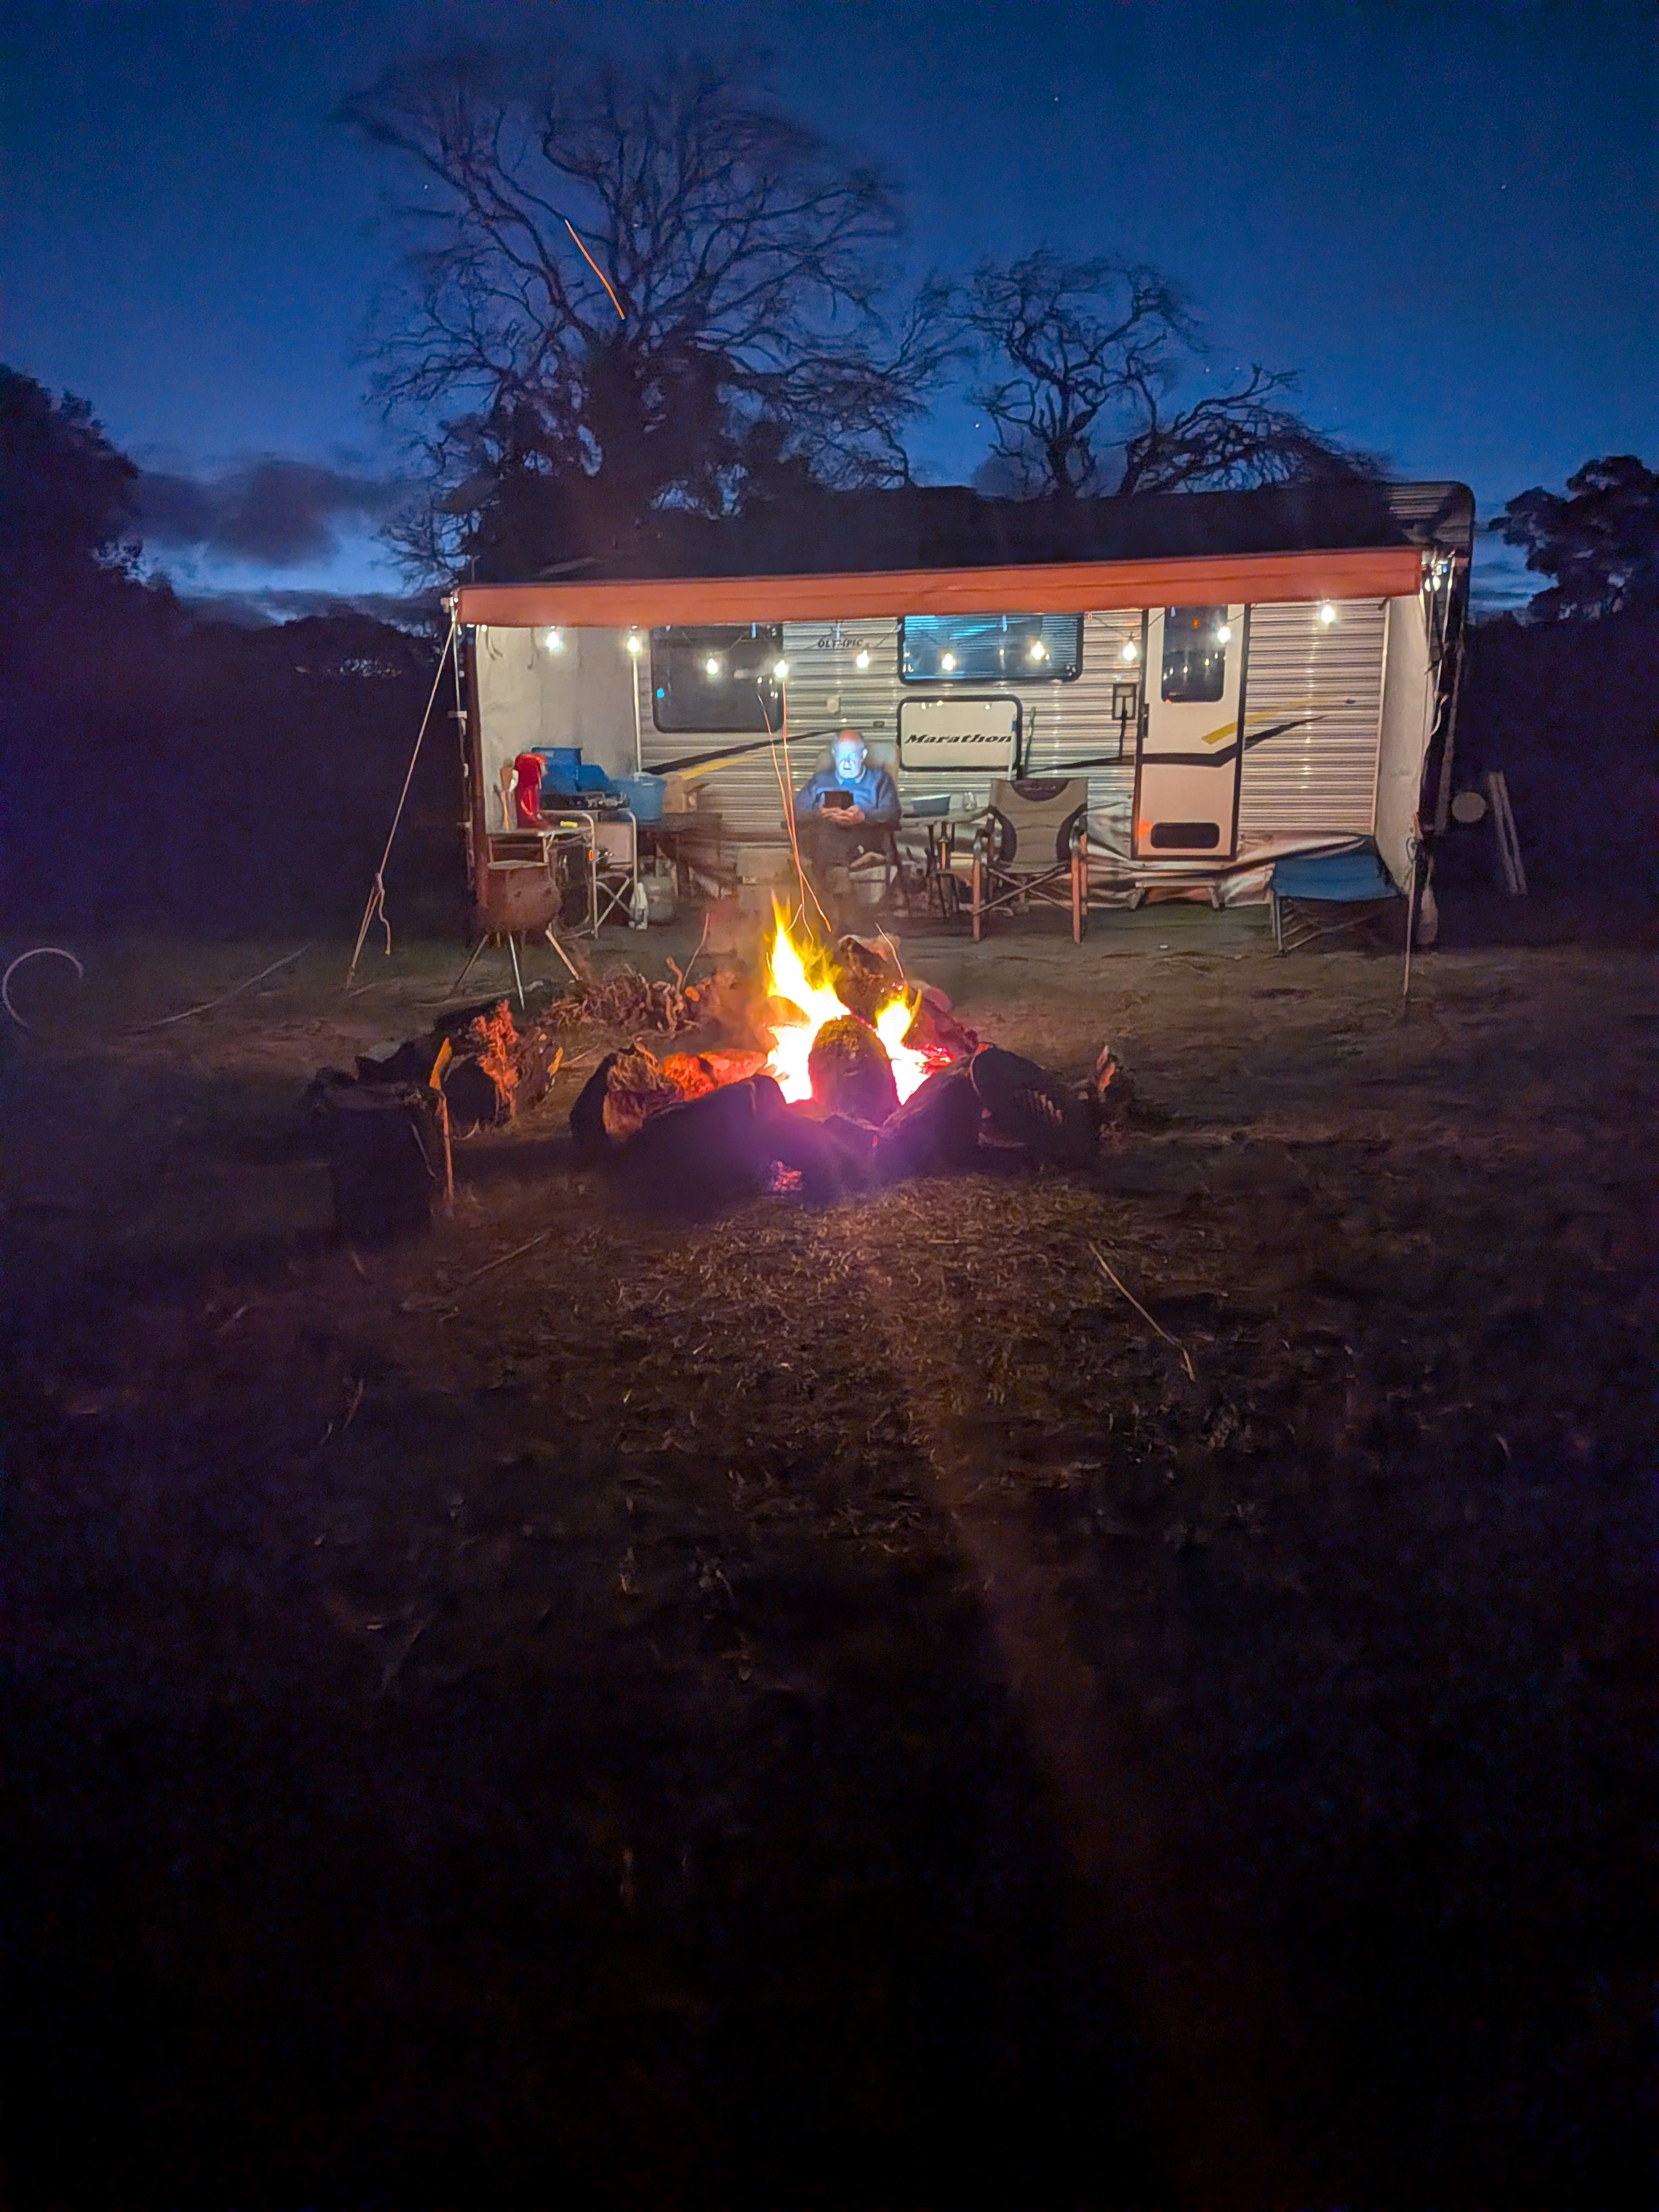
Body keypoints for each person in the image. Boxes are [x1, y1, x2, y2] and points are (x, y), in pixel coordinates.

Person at [792, 729, 900, 921]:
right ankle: (838, 895)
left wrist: (863, 817)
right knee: (826, 831)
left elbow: (892, 812)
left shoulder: (879, 780)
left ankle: (831, 906)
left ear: (863, 755)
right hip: (823, 838)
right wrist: (820, 813)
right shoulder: (820, 781)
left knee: (828, 838)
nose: (847, 762)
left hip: (864, 837)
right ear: (834, 755)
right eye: (842, 756)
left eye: (852, 756)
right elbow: (796, 812)